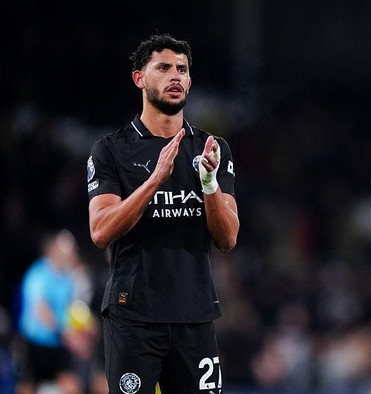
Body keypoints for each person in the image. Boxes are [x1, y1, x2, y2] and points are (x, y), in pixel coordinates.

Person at [86, 33, 239, 394]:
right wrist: (154, 181)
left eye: (182, 69)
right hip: (134, 316)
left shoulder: (212, 149)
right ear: (139, 78)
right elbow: (100, 231)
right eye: (164, 67)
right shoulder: (111, 151)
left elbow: (228, 238)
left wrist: (209, 183)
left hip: (195, 314)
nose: (175, 76)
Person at [16, 228, 84, 394]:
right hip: (33, 343)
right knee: (27, 388)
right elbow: (41, 310)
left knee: (72, 386)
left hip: (56, 344)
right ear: (54, 250)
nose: (71, 254)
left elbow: (70, 309)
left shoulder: (68, 278)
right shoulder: (37, 274)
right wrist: (65, 333)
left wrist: (78, 333)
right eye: (66, 250)